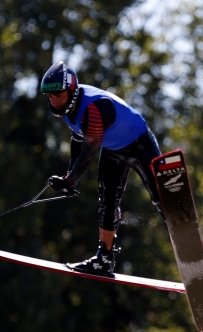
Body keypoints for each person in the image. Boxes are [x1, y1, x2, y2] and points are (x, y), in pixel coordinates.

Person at [40, 61, 163, 277]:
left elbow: (87, 154)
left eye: (58, 95)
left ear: (70, 91)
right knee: (107, 204)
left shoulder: (94, 108)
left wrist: (69, 181)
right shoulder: (68, 108)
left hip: (139, 143)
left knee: (159, 197)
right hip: (113, 149)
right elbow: (77, 140)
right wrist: (69, 177)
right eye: (50, 97)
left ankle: (186, 235)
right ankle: (104, 260)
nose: (54, 101)